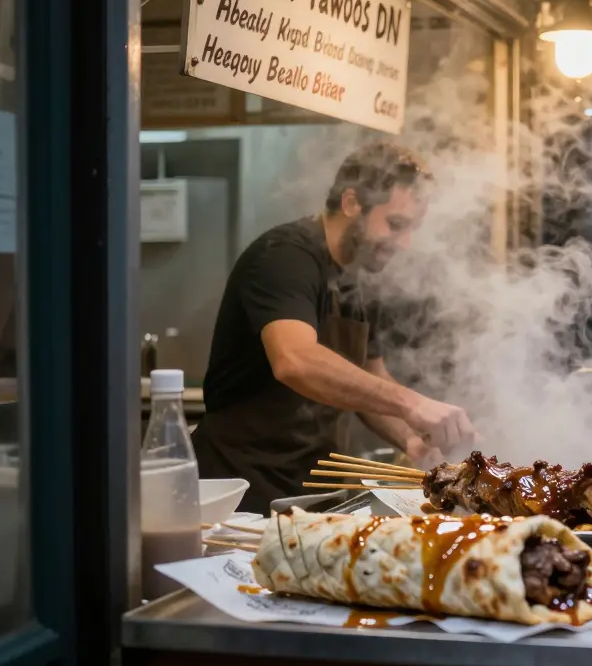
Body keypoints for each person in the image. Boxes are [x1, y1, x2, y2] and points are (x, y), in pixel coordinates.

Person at [193, 142, 477, 513]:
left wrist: (414, 440)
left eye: (412, 229)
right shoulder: (284, 256)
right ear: (351, 204)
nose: (405, 244)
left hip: (309, 489)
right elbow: (295, 360)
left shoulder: (357, 278)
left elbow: (369, 378)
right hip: (239, 489)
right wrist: (413, 403)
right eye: (395, 225)